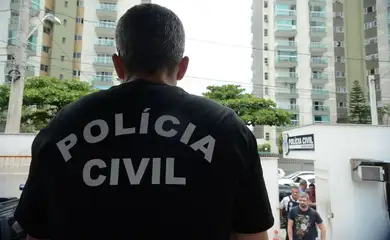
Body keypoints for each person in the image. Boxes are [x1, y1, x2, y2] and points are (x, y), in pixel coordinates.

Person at [14, 3, 274, 240]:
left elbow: (37, 235)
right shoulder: (227, 129)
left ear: (117, 65)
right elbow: (251, 236)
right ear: (182, 67)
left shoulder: (61, 128)